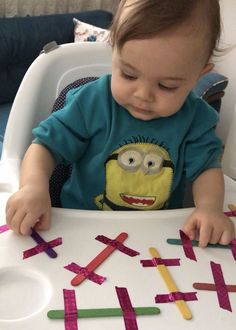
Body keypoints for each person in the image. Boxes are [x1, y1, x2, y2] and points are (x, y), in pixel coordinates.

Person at [6, 0, 235, 247]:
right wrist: (32, 187)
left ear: (199, 75)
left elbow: (207, 169)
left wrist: (210, 210)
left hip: (154, 237)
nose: (143, 95)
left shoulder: (195, 118)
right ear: (113, 51)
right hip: (80, 230)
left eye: (167, 86)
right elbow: (45, 147)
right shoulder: (91, 102)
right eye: (128, 75)